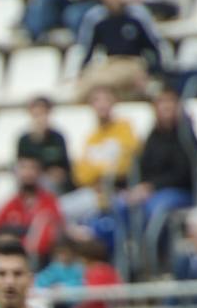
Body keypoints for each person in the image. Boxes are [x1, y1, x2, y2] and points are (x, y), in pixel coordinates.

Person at [113, 88, 197, 273]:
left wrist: (151, 186)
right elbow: (144, 167)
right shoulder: (153, 136)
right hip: (150, 190)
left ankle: (156, 258)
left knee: (155, 208)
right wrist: (136, 189)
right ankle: (130, 256)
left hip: (178, 190)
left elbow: (184, 172)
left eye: (170, 103)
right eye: (162, 103)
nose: (166, 108)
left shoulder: (185, 136)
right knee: (120, 204)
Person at [74, 0, 164, 101]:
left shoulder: (137, 14)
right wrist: (82, 71)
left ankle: (74, 99)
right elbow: (87, 50)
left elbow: (153, 46)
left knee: (95, 80)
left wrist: (152, 72)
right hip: (110, 63)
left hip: (133, 63)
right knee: (93, 84)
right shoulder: (95, 17)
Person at [58, 85, 139, 223]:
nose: (102, 105)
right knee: (57, 209)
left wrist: (96, 169)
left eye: (106, 100)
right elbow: (81, 175)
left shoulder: (125, 129)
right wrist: (104, 169)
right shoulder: (91, 138)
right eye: (97, 100)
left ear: (114, 102)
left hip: (119, 192)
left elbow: (124, 165)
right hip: (94, 194)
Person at [0, 156, 64, 261]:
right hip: (15, 258)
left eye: (33, 168)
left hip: (44, 259)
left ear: (39, 172)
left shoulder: (49, 202)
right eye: (24, 168)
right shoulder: (9, 204)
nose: (28, 173)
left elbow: (56, 231)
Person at [17, 97, 73, 194]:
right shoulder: (24, 140)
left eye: (43, 113)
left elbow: (64, 168)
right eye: (37, 115)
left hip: (53, 184)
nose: (40, 119)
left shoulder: (57, 138)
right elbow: (21, 165)